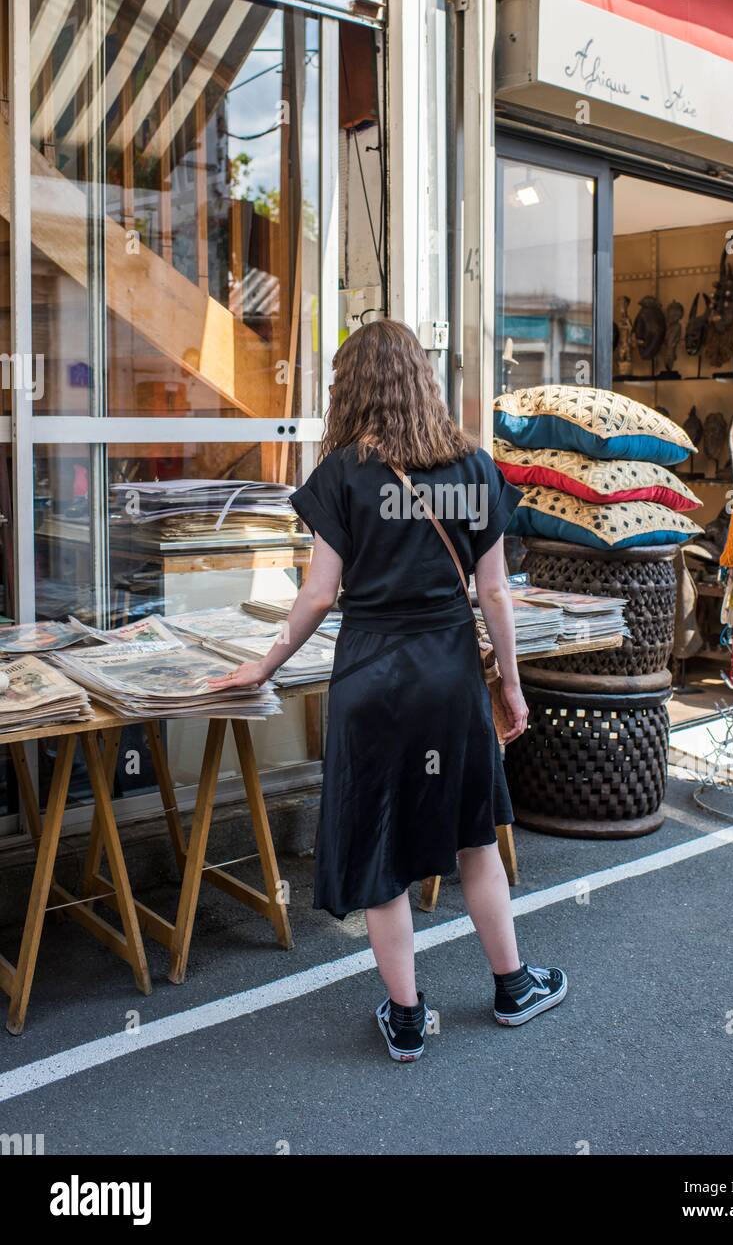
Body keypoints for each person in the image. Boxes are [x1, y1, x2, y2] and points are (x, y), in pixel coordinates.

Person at [211, 319, 566, 1062]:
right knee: (473, 835)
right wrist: (509, 680)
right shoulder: (473, 466)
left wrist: (264, 664)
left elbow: (315, 597)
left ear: (350, 388)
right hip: (446, 677)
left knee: (379, 846)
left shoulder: (341, 473)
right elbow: (495, 594)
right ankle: (512, 986)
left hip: (370, 678)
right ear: (422, 379)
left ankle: (406, 1020)